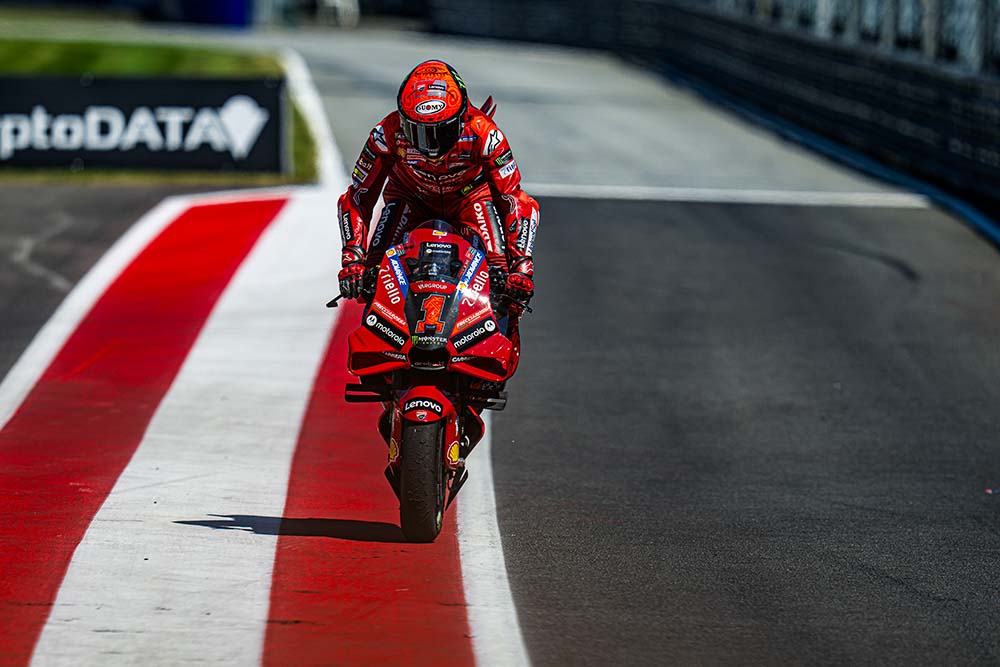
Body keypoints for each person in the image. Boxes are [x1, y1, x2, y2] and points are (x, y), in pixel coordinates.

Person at [337, 59, 539, 314]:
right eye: (417, 131)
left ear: (462, 116)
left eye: (440, 131)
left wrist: (522, 265)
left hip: (469, 199)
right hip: (410, 197)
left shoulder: (485, 134)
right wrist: (353, 258)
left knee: (503, 278)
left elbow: (515, 200)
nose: (430, 145)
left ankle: (498, 339)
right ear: (402, 118)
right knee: (371, 276)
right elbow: (357, 197)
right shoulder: (386, 133)